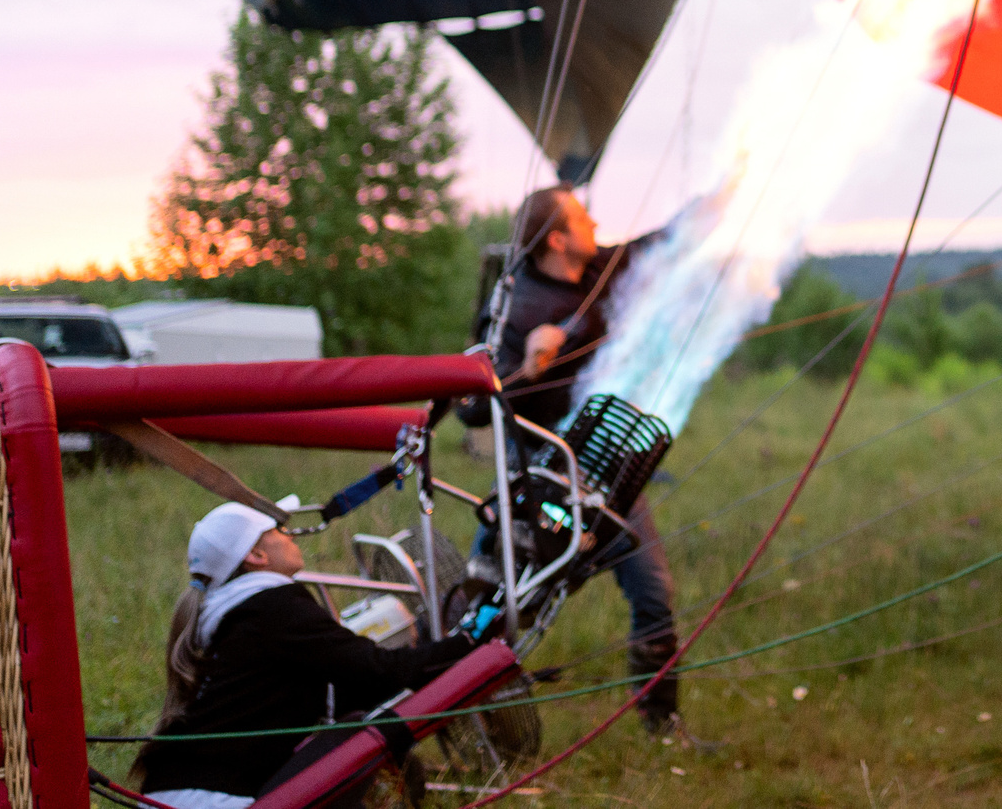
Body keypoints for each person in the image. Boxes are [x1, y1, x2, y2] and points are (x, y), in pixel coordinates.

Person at [482, 182, 692, 740]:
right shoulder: (515, 307)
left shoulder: (598, 265)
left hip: (603, 465)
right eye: (581, 217)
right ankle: (455, 695)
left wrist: (726, 192)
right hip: (542, 474)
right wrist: (529, 366)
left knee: (652, 589)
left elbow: (657, 242)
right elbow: (475, 408)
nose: (595, 223)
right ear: (557, 239)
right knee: (505, 596)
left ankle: (661, 726)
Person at [137, 502, 473, 808]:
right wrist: (471, 640)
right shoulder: (273, 607)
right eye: (277, 530)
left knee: (354, 727)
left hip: (168, 796)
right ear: (256, 555)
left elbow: (359, 685)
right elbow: (380, 670)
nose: (290, 535)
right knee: (358, 737)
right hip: (213, 801)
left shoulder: (239, 616)